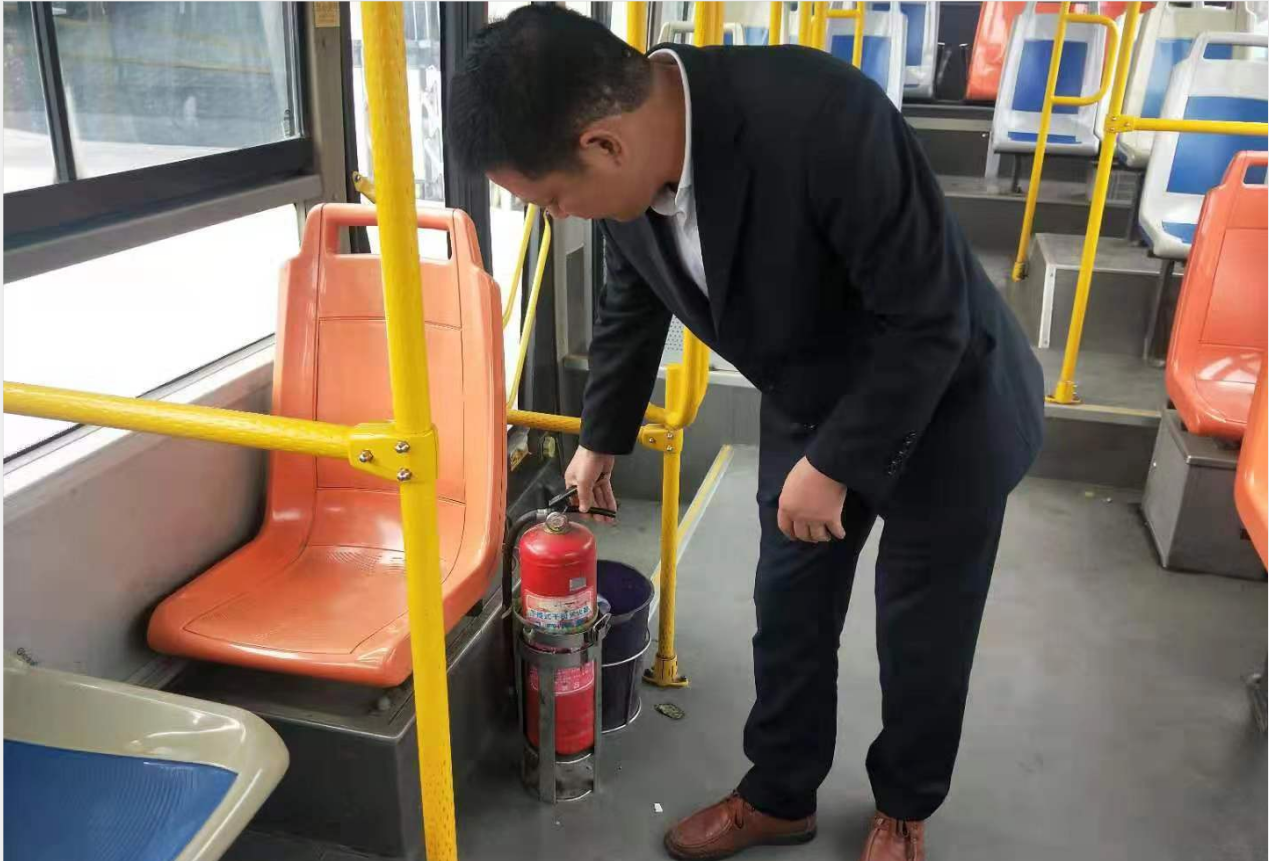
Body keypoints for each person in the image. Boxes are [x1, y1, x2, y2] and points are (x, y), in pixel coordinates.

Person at [450, 7, 1044, 861]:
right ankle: (778, 793)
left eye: (550, 199)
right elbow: (633, 297)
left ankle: (903, 807)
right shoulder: (625, 177)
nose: (557, 217)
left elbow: (929, 315)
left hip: (947, 400)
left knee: (922, 630)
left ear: (603, 144)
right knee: (788, 609)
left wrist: (834, 463)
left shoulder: (821, 116)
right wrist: (600, 435)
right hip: (809, 392)